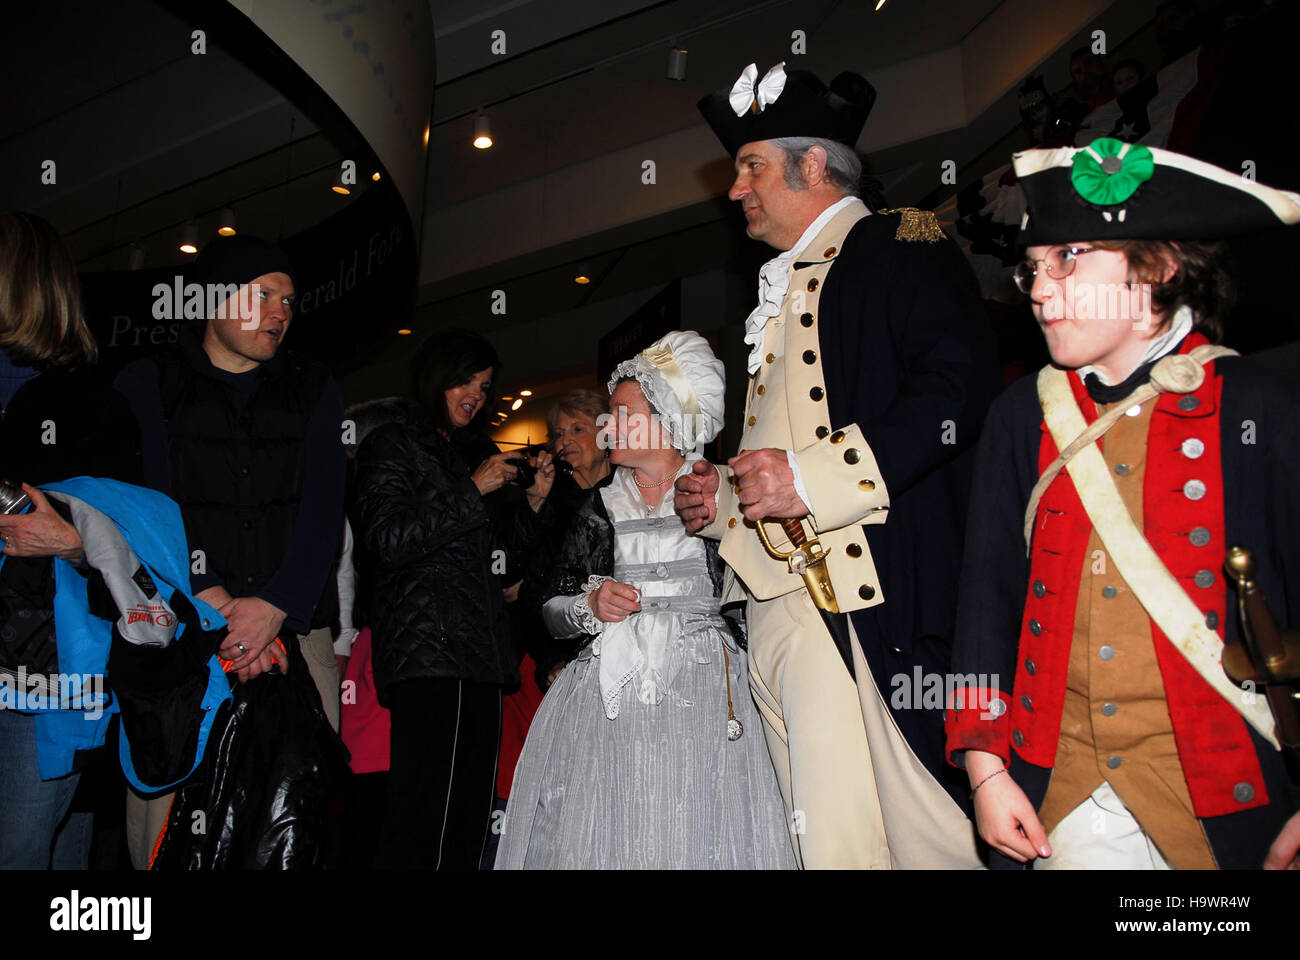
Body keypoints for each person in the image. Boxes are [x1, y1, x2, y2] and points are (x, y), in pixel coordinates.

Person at [676, 62, 999, 868]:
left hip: (860, 600)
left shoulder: (903, 239)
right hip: (774, 606)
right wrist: (727, 498)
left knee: (902, 844)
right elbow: (786, 447)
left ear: (812, 166)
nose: (734, 189)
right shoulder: (775, 286)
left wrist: (812, 479)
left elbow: (958, 393)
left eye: (750, 167)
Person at [946, 137, 1300, 869]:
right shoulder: (1021, 416)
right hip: (1058, 789)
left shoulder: (1259, 404)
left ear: (1161, 267)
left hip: (1224, 790)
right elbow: (985, 602)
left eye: (1070, 255)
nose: (1041, 288)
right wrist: (985, 767)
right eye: (1034, 267)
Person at [497, 331, 795, 869]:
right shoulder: (599, 504)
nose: (610, 425)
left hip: (705, 685)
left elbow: (757, 594)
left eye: (623, 413)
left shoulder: (720, 490)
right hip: (615, 687)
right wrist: (589, 606)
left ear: (669, 418)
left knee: (696, 820)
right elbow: (550, 606)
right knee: (611, 823)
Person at [114, 234, 346, 868]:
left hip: (295, 635)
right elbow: (145, 503)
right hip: (179, 634)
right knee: (165, 830)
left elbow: (324, 513)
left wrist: (272, 609)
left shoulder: (314, 387)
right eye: (263, 295)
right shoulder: (148, 383)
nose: (280, 313)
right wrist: (217, 608)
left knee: (298, 818)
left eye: (289, 302)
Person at [352, 330, 555, 870]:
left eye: (486, 386)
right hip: (428, 653)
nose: (477, 394)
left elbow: (495, 564)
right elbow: (387, 540)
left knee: (468, 811)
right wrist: (472, 489)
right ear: (437, 377)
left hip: (482, 654)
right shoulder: (392, 445)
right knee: (425, 813)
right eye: (466, 380)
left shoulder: (467, 455)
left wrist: (532, 507)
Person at [0, 211, 141, 869]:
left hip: (57, 661)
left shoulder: (95, 405)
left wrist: (72, 540)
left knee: (31, 846)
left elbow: (140, 551)